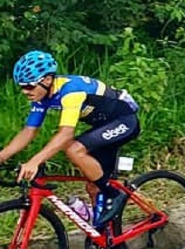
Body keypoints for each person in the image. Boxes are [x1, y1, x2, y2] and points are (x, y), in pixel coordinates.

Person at [0, 50, 140, 228]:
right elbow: (29, 131)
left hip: (124, 120)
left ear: (47, 80)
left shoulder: (71, 92)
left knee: (73, 148)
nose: (25, 91)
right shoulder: (42, 95)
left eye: (29, 86)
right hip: (103, 125)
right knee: (92, 186)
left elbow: (66, 134)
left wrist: (35, 161)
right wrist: (2, 156)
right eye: (21, 87)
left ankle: (114, 195)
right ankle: (107, 238)